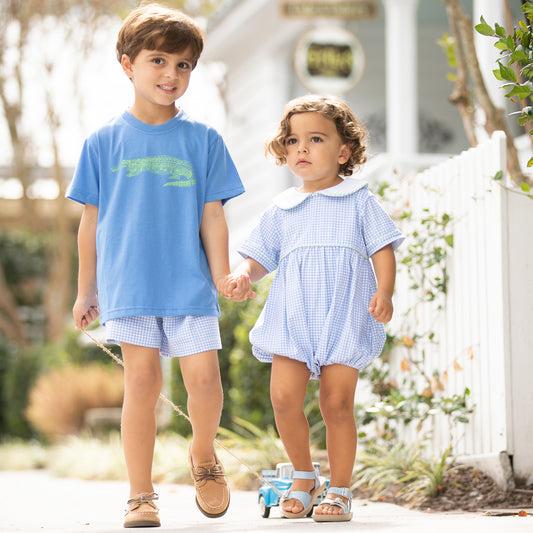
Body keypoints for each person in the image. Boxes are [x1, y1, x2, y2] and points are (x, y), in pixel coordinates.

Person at [67, 3, 244, 528]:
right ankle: (140, 495)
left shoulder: (204, 140)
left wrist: (221, 274)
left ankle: (203, 456)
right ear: (128, 65)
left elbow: (213, 217)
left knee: (205, 382)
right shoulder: (102, 142)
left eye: (184, 65)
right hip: (131, 285)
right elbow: (88, 226)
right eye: (159, 61)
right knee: (141, 385)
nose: (172, 74)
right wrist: (85, 292)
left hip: (189, 283)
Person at [221, 95, 404, 522]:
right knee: (283, 397)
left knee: (336, 404)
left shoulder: (359, 201)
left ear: (343, 152)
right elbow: (260, 256)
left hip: (343, 315)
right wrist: (244, 274)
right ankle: (304, 476)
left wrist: (386, 292)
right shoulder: (282, 208)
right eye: (292, 140)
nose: (301, 148)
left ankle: (339, 490)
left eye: (315, 139)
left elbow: (382, 249)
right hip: (293, 317)